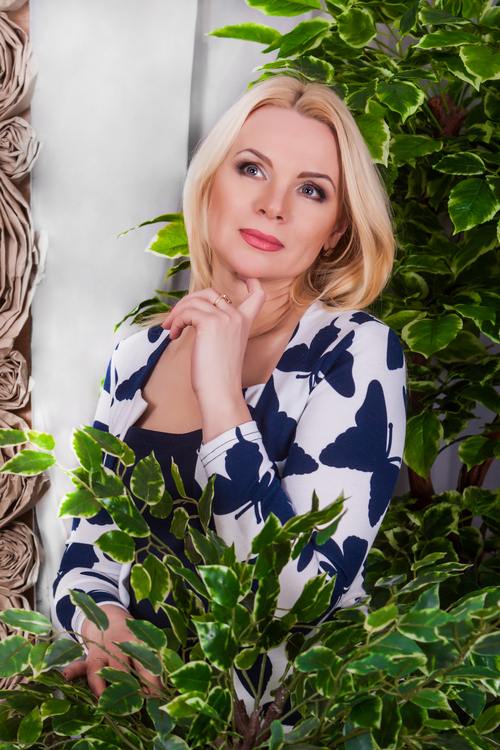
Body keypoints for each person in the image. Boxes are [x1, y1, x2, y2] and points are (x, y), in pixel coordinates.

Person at [53, 75, 406, 709]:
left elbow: (299, 598)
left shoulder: (356, 352)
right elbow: (86, 546)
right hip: (123, 714)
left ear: (335, 230)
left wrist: (221, 393)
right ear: (210, 182)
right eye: (251, 169)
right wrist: (103, 626)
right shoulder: (136, 356)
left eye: (311, 189)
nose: (274, 205)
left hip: (265, 727)